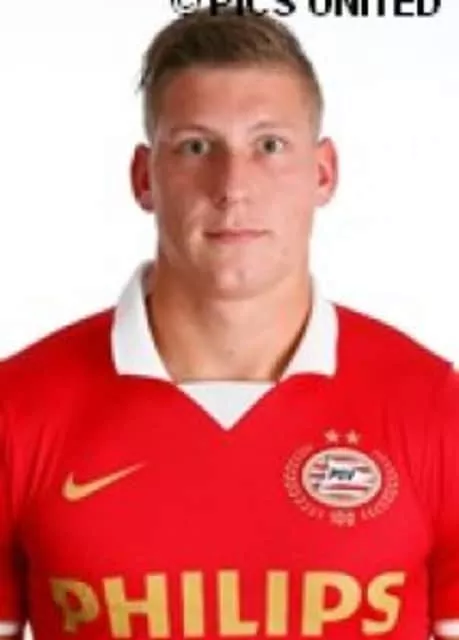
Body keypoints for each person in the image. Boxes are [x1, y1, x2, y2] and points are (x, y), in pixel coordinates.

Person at [0, 6, 457, 640]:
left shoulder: (435, 407)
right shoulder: (17, 409)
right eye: (196, 146)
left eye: (269, 146)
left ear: (323, 172)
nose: (233, 186)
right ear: (144, 178)